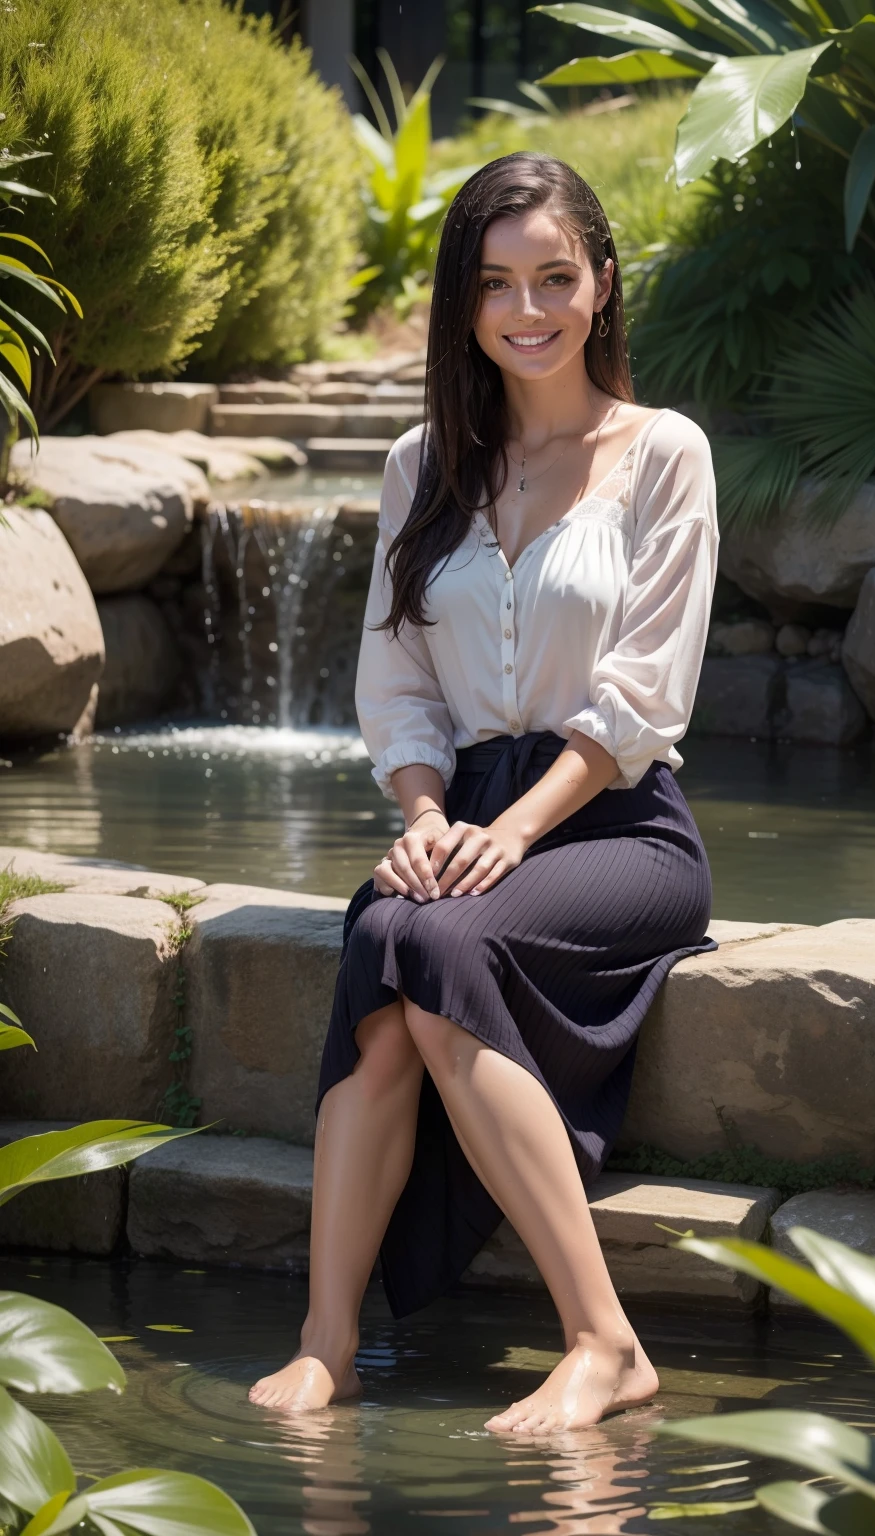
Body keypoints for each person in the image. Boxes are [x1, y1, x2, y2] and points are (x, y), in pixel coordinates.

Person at [250, 152, 718, 1430]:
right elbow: (394, 684)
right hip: (455, 818)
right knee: (391, 938)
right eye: (498, 283)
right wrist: (420, 819)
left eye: (556, 277)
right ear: (464, 303)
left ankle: (605, 1341)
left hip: (616, 823)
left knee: (430, 950)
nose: (529, 309)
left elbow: (641, 697)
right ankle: (326, 1342)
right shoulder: (424, 463)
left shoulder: (662, 453)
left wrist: (507, 830)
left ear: (603, 284)